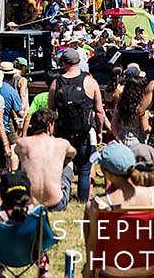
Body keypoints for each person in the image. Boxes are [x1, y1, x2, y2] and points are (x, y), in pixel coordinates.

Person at [84, 143, 154, 278]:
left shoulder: (99, 204)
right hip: (148, 269)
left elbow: (93, 244)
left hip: (111, 271)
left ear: (108, 174)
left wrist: (88, 272)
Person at [48, 48, 108, 203]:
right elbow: (100, 111)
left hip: (63, 132)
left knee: (62, 166)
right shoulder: (90, 82)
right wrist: (99, 131)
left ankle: (61, 196)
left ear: (63, 63)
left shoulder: (56, 83)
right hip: (85, 132)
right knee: (84, 168)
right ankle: (83, 199)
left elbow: (50, 110)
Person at [14, 107, 75, 211]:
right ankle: (64, 192)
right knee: (69, 161)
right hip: (56, 203)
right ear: (50, 126)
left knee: (23, 160)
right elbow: (73, 153)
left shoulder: (22, 143)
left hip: (30, 204)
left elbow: (17, 153)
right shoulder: (62, 143)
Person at [110, 63, 149, 146]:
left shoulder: (121, 104)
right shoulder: (141, 108)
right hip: (138, 143)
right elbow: (144, 129)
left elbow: (113, 124)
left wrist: (118, 139)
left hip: (124, 140)